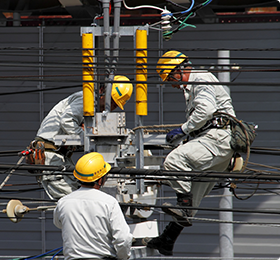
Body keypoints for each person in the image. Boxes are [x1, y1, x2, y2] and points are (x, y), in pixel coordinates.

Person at [143, 50, 236, 256]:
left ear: (178, 70)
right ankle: (167, 240)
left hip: (217, 140)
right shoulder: (192, 85)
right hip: (217, 145)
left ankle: (183, 207)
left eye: (170, 78)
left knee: (174, 161)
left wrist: (183, 130)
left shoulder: (200, 78)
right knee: (191, 199)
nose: (171, 84)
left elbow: (206, 111)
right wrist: (188, 135)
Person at [31, 75, 133, 200]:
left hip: (59, 156)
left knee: (81, 194)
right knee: (75, 200)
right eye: (111, 101)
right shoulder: (87, 99)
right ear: (102, 91)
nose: (111, 107)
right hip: (50, 156)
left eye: (115, 104)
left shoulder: (94, 107)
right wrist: (88, 139)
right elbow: (67, 120)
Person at [53, 152, 134, 260]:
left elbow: (59, 224)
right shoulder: (109, 203)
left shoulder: (63, 202)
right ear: (100, 180)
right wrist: (123, 258)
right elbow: (123, 239)